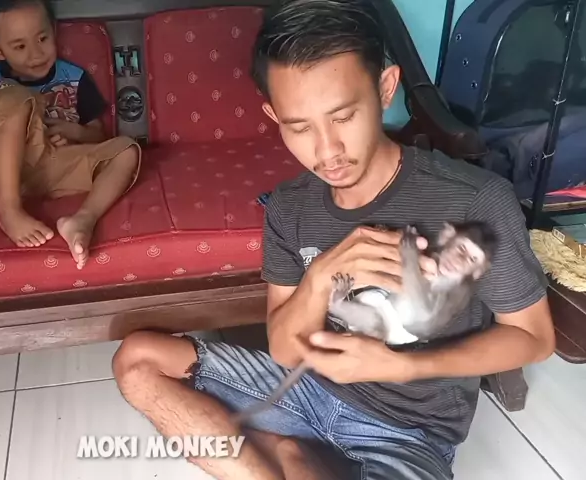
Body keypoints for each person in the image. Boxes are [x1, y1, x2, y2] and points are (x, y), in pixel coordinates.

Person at [111, 0, 555, 478]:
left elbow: (533, 338)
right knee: (138, 361)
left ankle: (290, 456)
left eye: (343, 117)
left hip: (407, 432)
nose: (327, 151)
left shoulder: (474, 200)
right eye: (299, 127)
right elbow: (285, 349)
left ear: (385, 88)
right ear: (274, 115)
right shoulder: (289, 206)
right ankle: (288, 458)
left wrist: (402, 367)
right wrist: (322, 275)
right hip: (305, 392)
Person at [0, 0, 140, 269]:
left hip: (54, 166)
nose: (36, 53)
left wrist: (74, 132)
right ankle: (9, 208)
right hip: (5, 170)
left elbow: (97, 134)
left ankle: (83, 220)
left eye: (42, 39)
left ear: (54, 30)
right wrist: (22, 129)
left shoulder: (75, 77)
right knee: (16, 97)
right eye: (20, 46)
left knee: (127, 150)